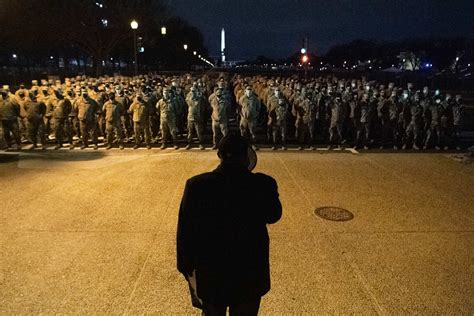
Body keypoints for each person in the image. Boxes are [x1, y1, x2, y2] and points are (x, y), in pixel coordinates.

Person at [177, 133, 282, 316]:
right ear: (246, 155)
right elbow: (274, 215)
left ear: (220, 155)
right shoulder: (263, 184)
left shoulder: (197, 186)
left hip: (211, 274)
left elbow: (185, 233)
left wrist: (187, 270)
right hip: (249, 275)